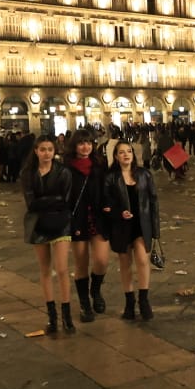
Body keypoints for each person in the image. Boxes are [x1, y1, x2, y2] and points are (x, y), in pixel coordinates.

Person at [101, 140, 160, 321]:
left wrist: (156, 231)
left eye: (129, 151)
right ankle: (129, 302)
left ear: (133, 154)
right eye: (121, 152)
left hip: (142, 225)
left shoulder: (144, 175)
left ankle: (144, 300)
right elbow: (106, 204)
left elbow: (153, 202)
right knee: (125, 264)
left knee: (143, 260)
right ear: (116, 156)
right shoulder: (110, 177)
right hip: (121, 226)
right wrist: (120, 213)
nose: (126, 155)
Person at [21, 134, 74, 334]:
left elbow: (66, 200)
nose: (46, 153)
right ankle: (52, 316)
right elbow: (31, 203)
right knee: (45, 270)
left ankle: (67, 315)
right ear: (35, 151)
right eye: (42, 149)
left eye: (50, 149)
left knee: (61, 269)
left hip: (61, 223)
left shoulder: (63, 172)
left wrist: (46, 200)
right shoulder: (28, 173)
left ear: (55, 151)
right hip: (38, 224)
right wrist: (54, 199)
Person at [65, 131, 111, 322]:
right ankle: (85, 304)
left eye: (89, 143)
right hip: (78, 219)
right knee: (81, 263)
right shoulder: (66, 168)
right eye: (81, 143)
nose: (86, 147)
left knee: (101, 260)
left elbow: (107, 188)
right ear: (74, 146)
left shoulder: (99, 165)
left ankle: (96, 290)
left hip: (98, 217)